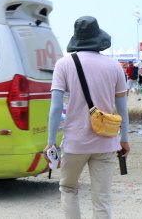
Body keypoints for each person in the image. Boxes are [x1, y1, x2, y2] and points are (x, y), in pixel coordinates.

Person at [45, 16, 129, 219]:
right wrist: (124, 138)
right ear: (98, 38)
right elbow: (123, 108)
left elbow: (56, 108)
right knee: (102, 198)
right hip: (106, 141)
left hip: (75, 142)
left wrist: (51, 143)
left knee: (68, 188)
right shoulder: (114, 66)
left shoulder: (63, 64)